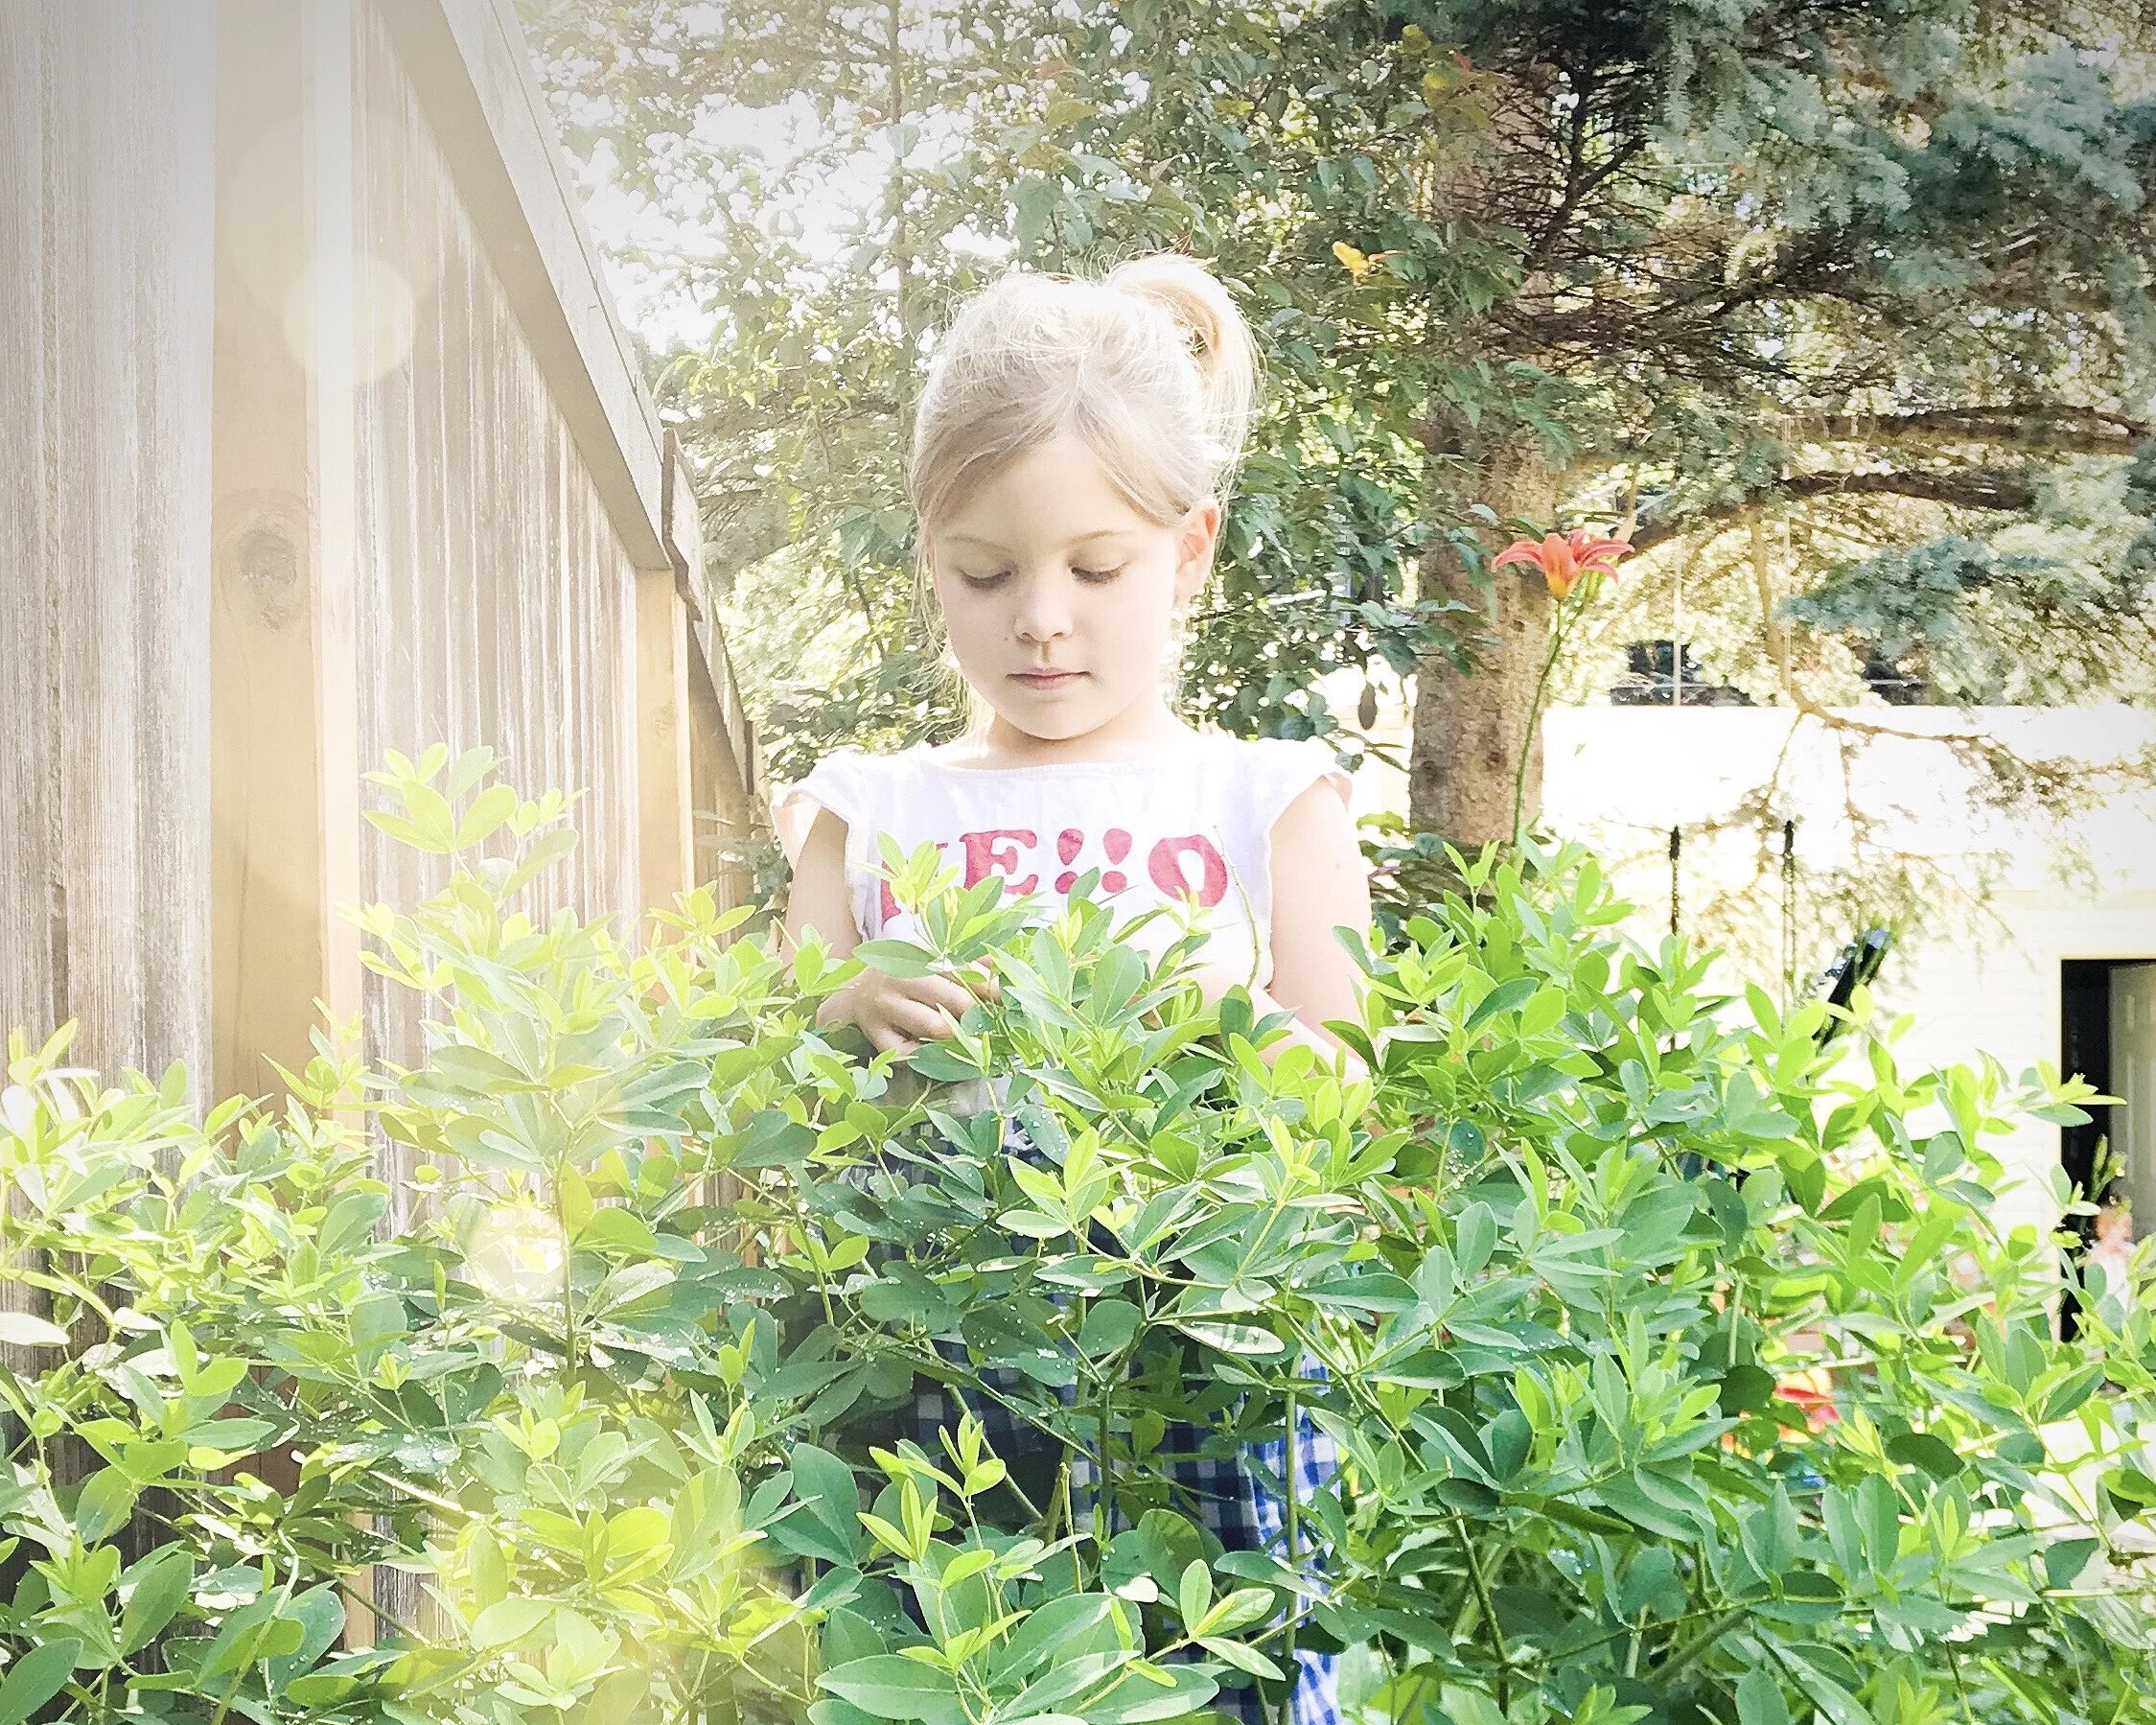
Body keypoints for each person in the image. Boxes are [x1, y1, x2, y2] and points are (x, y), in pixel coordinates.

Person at [775, 253, 1371, 1725]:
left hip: (1211, 1350)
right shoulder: (872, 809)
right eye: (986, 571)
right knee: (953, 1676)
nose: (1040, 616)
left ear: (1193, 551)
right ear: (931, 559)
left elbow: (1348, 1087)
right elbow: (767, 1068)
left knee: (1229, 1685)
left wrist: (1235, 1046)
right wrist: (847, 1014)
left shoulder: (1266, 798)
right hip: (944, 1355)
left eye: (1095, 568)